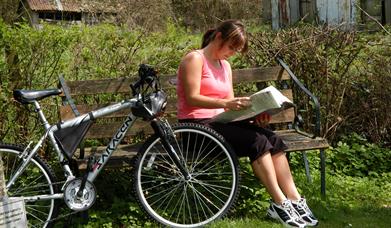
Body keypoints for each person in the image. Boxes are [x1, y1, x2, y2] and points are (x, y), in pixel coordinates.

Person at [176, 19, 318, 228]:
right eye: (231, 48)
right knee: (257, 141)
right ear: (218, 37)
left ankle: (295, 199)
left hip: (221, 124)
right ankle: (279, 203)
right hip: (196, 128)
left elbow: (229, 108)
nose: (232, 53)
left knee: (272, 138)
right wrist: (226, 102)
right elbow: (192, 98)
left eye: (237, 50)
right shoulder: (194, 59)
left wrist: (254, 115)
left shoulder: (225, 66)